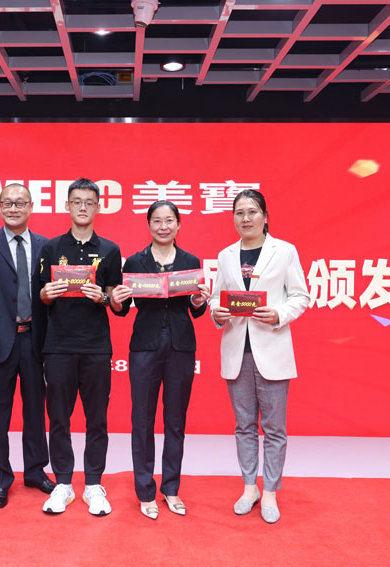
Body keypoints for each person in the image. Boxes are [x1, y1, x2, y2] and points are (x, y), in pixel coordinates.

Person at [208, 189, 308, 524]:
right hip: (238, 351)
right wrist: (217, 313)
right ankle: (249, 487)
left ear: (265, 216)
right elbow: (216, 298)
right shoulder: (226, 255)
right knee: (244, 426)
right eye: (239, 213)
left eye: (252, 211)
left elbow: (300, 296)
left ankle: (270, 493)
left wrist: (279, 314)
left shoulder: (285, 251)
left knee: (275, 429)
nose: (246, 218)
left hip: (272, 350)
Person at [38, 177, 129, 516]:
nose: (82, 207)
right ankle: (63, 484)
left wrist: (103, 297)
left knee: (97, 419)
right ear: (67, 205)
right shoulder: (50, 248)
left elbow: (118, 303)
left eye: (89, 202)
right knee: (58, 418)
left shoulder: (110, 250)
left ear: (98, 207)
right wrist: (46, 294)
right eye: (76, 201)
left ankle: (93, 484)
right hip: (58, 345)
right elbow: (40, 296)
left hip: (96, 346)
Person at [116, 200, 210, 520]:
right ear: (148, 225)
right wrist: (118, 300)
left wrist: (198, 300)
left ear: (179, 224)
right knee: (142, 420)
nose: (163, 226)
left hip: (181, 346)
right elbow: (122, 309)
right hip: (145, 346)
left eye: (169, 220)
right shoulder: (135, 262)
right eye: (157, 220)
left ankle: (171, 488)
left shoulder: (190, 261)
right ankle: (145, 491)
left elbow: (196, 309)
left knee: (175, 421)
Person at [0, 183, 55, 509]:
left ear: (31, 207)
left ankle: (35, 471)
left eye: (20, 203)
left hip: (35, 340)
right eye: (8, 203)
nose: (14, 208)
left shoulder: (46, 246)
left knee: (35, 411)